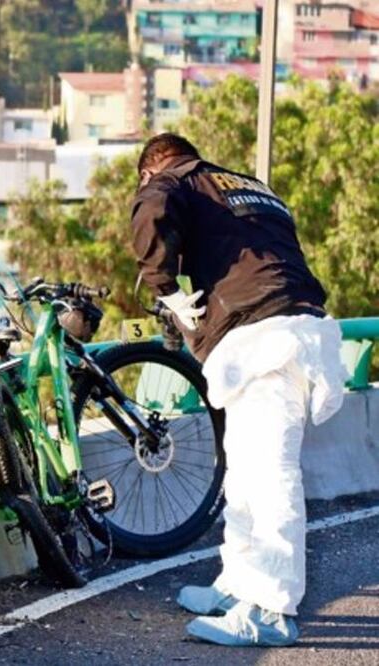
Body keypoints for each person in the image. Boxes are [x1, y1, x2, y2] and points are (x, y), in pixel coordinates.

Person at [131, 133, 347, 647]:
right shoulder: (248, 185)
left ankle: (270, 608)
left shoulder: (174, 178)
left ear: (151, 167)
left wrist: (165, 290)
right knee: (246, 472)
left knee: (269, 478)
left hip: (264, 334)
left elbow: (151, 210)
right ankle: (237, 586)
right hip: (293, 324)